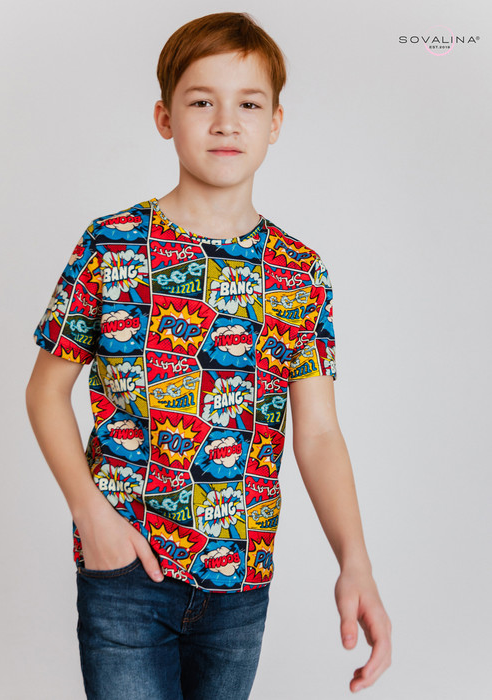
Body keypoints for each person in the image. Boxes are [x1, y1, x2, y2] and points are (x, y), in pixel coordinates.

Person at [26, 11, 391, 699]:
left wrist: (355, 563)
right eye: (202, 102)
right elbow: (45, 392)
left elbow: (317, 432)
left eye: (248, 104)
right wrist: (91, 517)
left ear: (275, 122)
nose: (226, 123)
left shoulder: (299, 271)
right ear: (165, 118)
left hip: (239, 582)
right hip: (125, 572)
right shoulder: (112, 244)